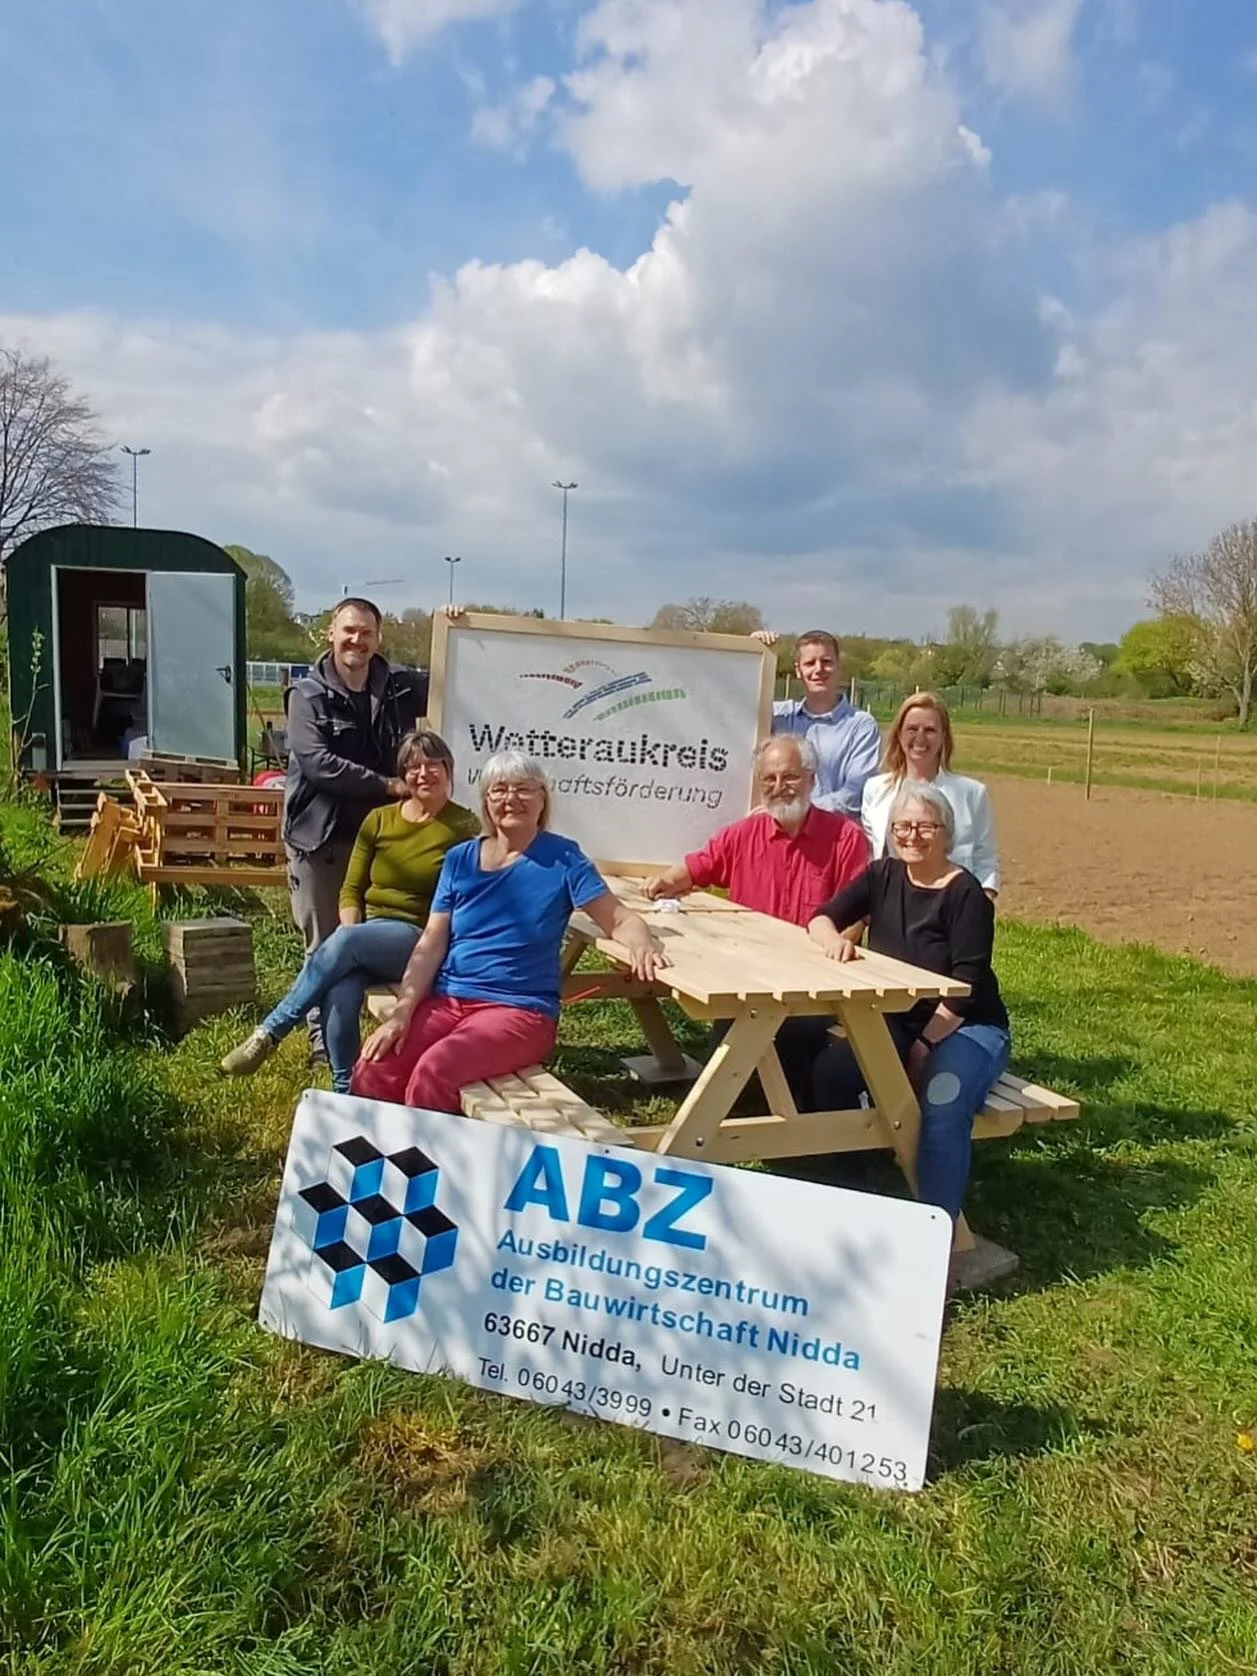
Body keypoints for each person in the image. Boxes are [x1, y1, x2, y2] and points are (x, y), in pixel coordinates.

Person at [352, 750, 668, 1112]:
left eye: (524, 789)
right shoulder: (459, 859)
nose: (511, 798)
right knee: (376, 1067)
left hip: (519, 1011)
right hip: (448, 1000)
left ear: (542, 799)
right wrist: (402, 1012)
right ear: (486, 801)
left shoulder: (564, 859)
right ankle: (371, 1163)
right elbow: (432, 941)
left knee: (435, 1072)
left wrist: (642, 944)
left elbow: (620, 919)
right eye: (499, 789)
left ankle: (434, 1167)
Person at [221, 730, 476, 1092]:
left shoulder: (464, 827)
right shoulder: (380, 820)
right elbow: (351, 890)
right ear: (402, 775)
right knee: (340, 991)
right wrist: (352, 932)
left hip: (419, 938)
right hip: (366, 936)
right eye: (413, 767)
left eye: (433, 765)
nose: (423, 774)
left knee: (348, 944)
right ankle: (347, 1092)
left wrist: (351, 940)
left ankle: (271, 1030)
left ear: (449, 769)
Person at [804, 783, 1011, 1224]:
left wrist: (925, 1045)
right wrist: (834, 945)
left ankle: (933, 1235)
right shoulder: (882, 875)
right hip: (896, 1017)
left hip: (965, 1025)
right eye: (903, 826)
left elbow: (968, 985)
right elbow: (822, 918)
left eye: (924, 826)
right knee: (830, 1075)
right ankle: (853, 1195)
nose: (912, 835)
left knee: (942, 1101)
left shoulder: (966, 894)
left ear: (946, 832)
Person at [282, 597, 430, 1061]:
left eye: (366, 633)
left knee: (365, 940)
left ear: (377, 638)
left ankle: (359, 1030)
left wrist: (454, 625)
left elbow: (457, 672)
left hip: (380, 841)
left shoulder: (400, 687)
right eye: (349, 631)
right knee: (325, 942)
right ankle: (321, 1041)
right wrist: (388, 785)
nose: (357, 641)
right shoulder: (306, 696)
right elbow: (318, 764)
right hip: (320, 840)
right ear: (331, 632)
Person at [642, 735, 869, 926]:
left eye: (790, 777)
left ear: (812, 780)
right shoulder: (741, 835)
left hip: (814, 967)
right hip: (747, 961)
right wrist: (666, 882)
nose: (779, 787)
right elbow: (695, 868)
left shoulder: (846, 838)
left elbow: (854, 920)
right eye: (769, 779)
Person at [861, 691, 999, 897]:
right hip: (889, 903)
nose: (920, 738)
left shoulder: (972, 793)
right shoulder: (875, 790)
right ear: (899, 734)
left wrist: (980, 907)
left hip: (952, 905)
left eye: (930, 730)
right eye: (912, 729)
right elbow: (869, 855)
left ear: (944, 736)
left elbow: (986, 861)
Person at [754, 629, 881, 816]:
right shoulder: (777, 716)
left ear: (839, 667)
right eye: (810, 663)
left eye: (827, 662)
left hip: (832, 838)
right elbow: (731, 708)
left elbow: (854, 795)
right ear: (798, 670)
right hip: (776, 836)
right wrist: (753, 651)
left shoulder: (861, 726)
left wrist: (793, 810)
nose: (818, 669)